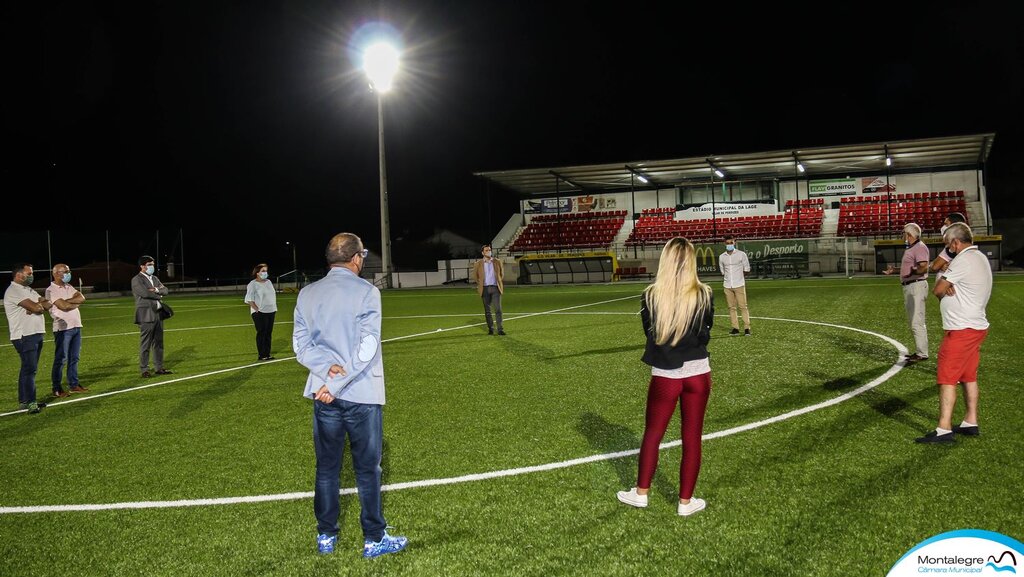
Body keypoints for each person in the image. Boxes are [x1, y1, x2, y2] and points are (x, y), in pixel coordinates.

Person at [293, 232, 407, 558]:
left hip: (323, 394)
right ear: (356, 258)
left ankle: (325, 536)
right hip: (360, 394)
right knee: (367, 470)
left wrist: (327, 374)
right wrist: (338, 383)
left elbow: (301, 345)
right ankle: (374, 538)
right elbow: (367, 348)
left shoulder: (307, 294)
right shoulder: (367, 292)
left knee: (326, 468)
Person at [617, 237, 715, 516]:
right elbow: (706, 332)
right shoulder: (705, 293)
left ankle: (641, 493)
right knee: (692, 436)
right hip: (698, 373)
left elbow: (649, 333)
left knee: (653, 433)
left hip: (665, 375)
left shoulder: (651, 294)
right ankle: (685, 502)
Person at [916, 223, 992, 444]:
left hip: (961, 329)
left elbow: (937, 289)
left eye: (949, 243)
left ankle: (944, 428)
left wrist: (944, 286)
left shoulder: (963, 260)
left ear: (955, 242)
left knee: (947, 378)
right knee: (969, 376)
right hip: (974, 326)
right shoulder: (979, 257)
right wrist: (946, 284)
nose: (948, 247)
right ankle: (970, 421)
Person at [4, 263, 52, 413]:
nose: (32, 275)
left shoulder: (27, 289)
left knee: (27, 368)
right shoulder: (14, 290)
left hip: (35, 333)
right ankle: (31, 403)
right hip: (24, 335)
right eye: (29, 273)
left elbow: (47, 304)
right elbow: (37, 307)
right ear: (19, 275)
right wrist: (37, 306)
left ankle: (24, 400)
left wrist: (37, 306)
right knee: (30, 369)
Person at [883, 223, 930, 363]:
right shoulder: (914, 247)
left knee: (917, 321)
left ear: (910, 234)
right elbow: (912, 268)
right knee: (914, 321)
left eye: (904, 233)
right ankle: (920, 351)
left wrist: (911, 272)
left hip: (916, 286)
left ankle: (922, 353)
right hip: (911, 286)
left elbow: (923, 268)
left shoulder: (920, 247)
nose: (903, 235)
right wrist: (896, 270)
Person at [45, 263, 88, 396]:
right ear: (57, 273)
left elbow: (82, 298)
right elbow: (63, 306)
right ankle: (56, 388)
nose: (69, 273)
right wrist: (72, 303)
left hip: (76, 326)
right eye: (66, 271)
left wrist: (69, 302)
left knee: (74, 358)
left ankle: (73, 384)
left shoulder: (68, 286)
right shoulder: (51, 290)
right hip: (63, 329)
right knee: (61, 359)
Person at [132, 255, 172, 378]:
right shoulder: (136, 279)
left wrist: (155, 290)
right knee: (146, 343)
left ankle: (159, 367)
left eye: (153, 264)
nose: (152, 267)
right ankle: (144, 369)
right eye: (150, 265)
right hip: (146, 314)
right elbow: (144, 293)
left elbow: (165, 290)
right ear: (142, 266)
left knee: (159, 343)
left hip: (158, 314)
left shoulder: (154, 278)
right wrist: (158, 294)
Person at [718, 234, 751, 336]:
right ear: (725, 243)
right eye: (727, 243)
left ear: (734, 242)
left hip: (739, 284)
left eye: (731, 243)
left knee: (743, 307)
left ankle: (747, 328)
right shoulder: (721, 257)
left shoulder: (741, 255)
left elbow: (747, 269)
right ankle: (735, 328)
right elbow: (723, 271)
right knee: (731, 308)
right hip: (727, 285)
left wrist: (739, 278)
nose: (729, 245)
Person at [244, 263, 278, 361]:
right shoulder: (253, 284)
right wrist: (256, 309)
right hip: (259, 312)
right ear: (257, 273)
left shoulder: (269, 282)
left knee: (268, 332)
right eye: (263, 271)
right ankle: (261, 355)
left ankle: (267, 354)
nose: (265, 273)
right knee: (261, 332)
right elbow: (249, 299)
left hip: (271, 310)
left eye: (266, 271)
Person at [471, 244, 505, 335]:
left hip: (495, 288)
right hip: (485, 289)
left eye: (489, 250)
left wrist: (498, 282)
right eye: (486, 250)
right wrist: (481, 284)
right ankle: (491, 329)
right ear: (482, 252)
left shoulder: (497, 261)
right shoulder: (478, 264)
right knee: (487, 311)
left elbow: (501, 274)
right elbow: (475, 276)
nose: (488, 251)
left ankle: (500, 329)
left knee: (498, 309)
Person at [929, 212, 968, 282]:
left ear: (954, 226)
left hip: (948, 286)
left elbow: (934, 267)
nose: (943, 228)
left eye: (946, 224)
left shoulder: (952, 247)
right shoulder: (967, 244)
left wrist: (937, 266)